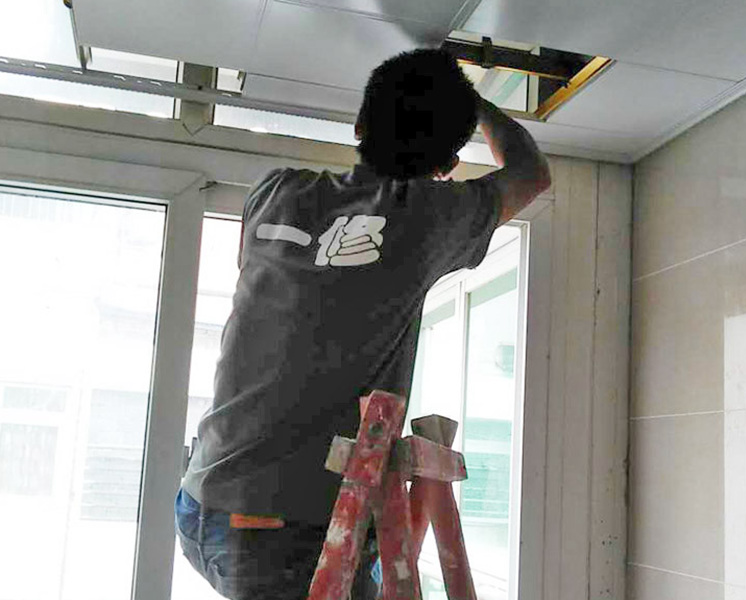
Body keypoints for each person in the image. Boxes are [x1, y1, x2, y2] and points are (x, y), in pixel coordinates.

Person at [174, 48, 551, 600]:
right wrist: (476, 103)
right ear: (447, 164)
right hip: (283, 535)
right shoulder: (428, 215)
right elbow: (530, 174)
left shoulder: (275, 192)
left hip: (201, 499)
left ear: (358, 125)